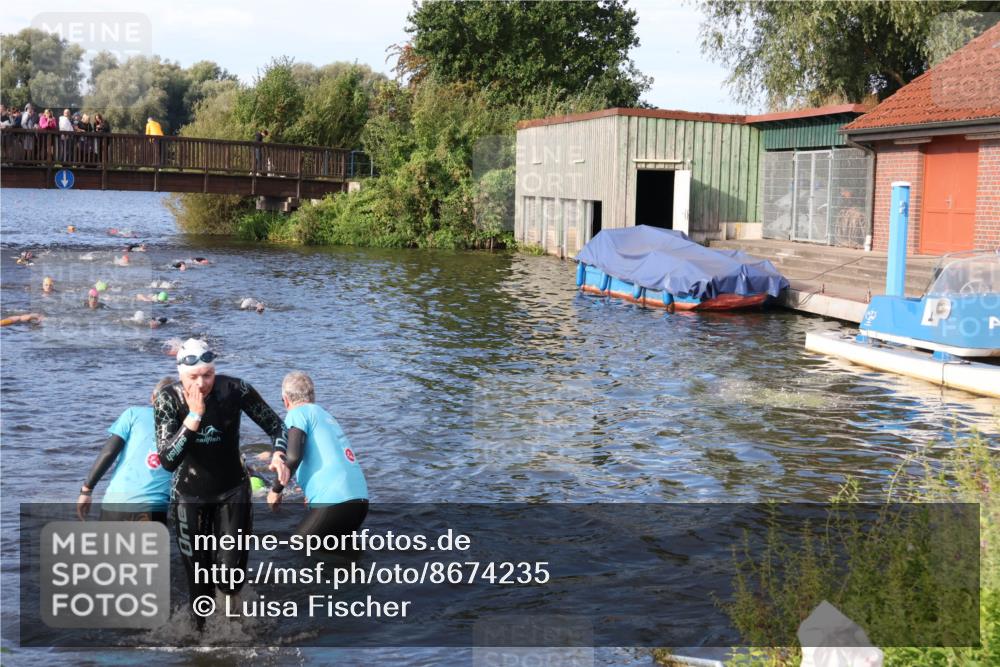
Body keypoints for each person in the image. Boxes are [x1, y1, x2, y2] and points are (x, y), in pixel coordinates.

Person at [154, 339, 286, 627]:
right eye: (194, 377)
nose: (202, 383)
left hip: (232, 491)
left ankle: (234, 628)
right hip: (189, 495)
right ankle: (200, 641)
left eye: (208, 375)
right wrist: (194, 417)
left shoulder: (235, 390)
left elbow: (277, 426)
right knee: (200, 587)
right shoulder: (168, 399)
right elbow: (167, 460)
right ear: (180, 374)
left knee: (229, 577)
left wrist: (279, 453)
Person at [268, 372, 369, 544]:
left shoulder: (297, 413)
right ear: (312, 395)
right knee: (340, 559)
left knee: (297, 551)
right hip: (360, 502)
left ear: (285, 400)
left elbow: (293, 457)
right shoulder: (325, 415)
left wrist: (275, 491)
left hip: (335, 501)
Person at [78, 377, 176, 523]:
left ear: (152, 398)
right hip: (153, 508)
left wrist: (87, 490)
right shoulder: (186, 428)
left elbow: (108, 452)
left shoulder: (132, 414)